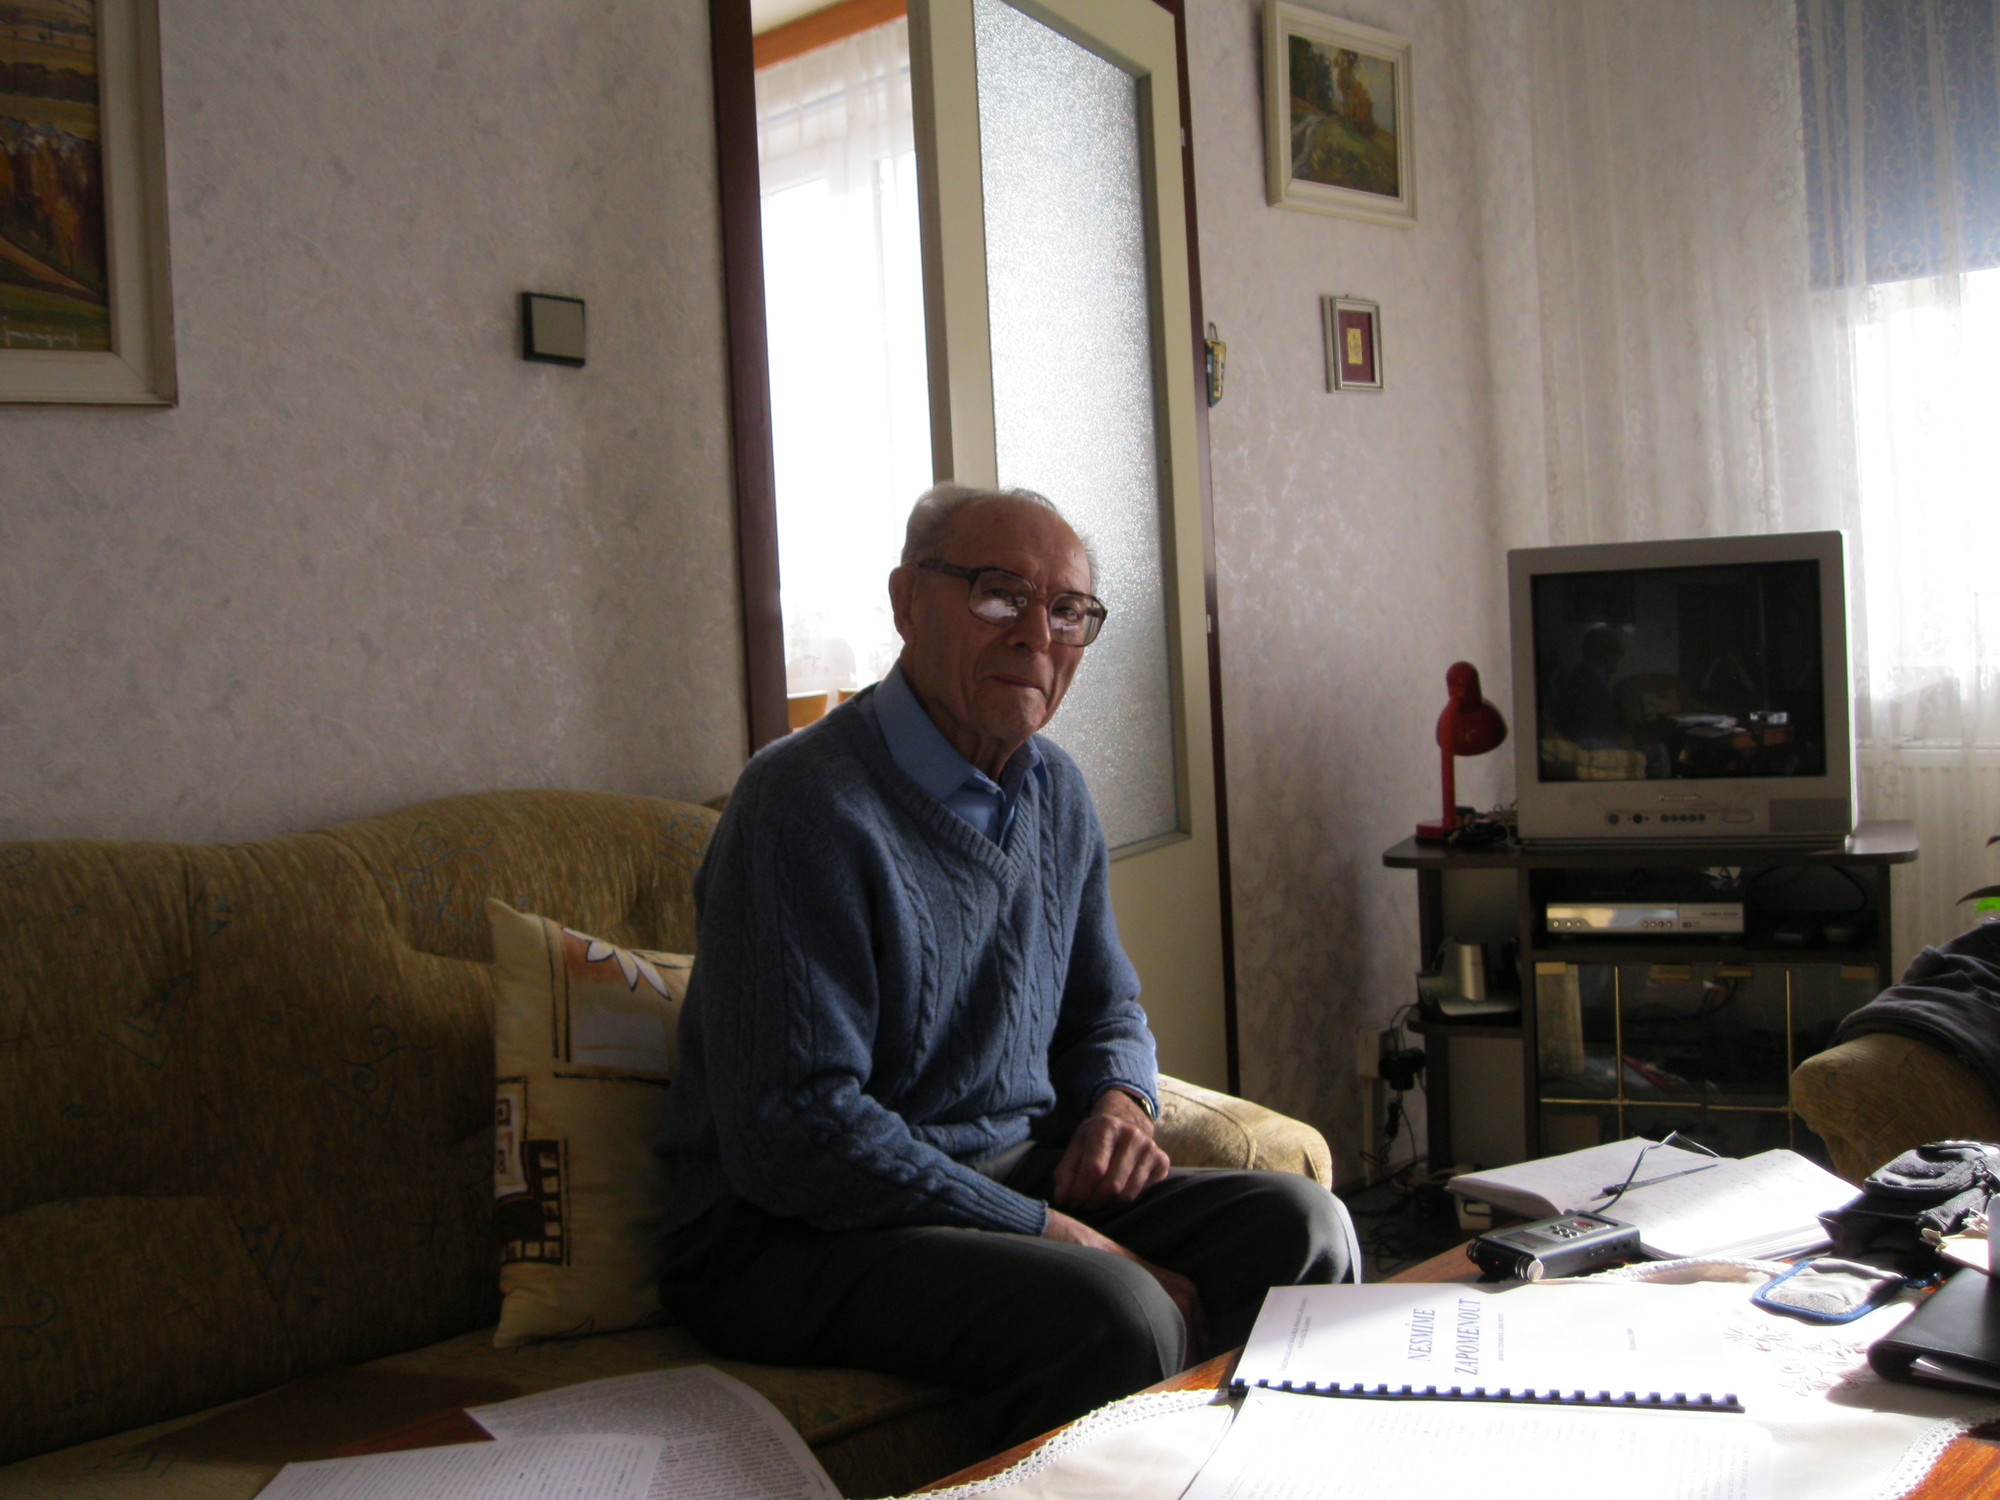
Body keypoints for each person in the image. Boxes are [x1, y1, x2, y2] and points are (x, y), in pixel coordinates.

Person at [654, 484, 1358, 1451]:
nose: (1037, 635)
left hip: (1006, 1177)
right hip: (784, 1232)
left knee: (1306, 1230)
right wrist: (1045, 1229)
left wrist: (1120, 1104)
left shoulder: (1055, 790)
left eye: (1067, 611)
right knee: (1117, 1315)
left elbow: (1106, 1007)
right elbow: (798, 1132)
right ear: (908, 602)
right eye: (999, 594)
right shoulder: (800, 804)